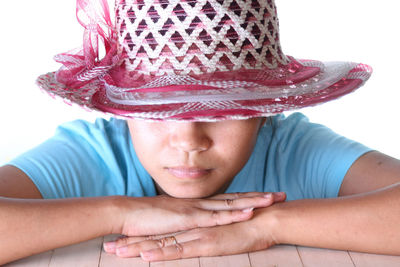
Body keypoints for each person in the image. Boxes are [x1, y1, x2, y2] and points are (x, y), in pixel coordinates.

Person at [0, 0, 399, 264]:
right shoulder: (94, 153)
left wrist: (267, 226)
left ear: (264, 111)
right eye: (157, 110)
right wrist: (123, 214)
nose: (189, 141)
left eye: (222, 109)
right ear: (122, 112)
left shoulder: (290, 147)